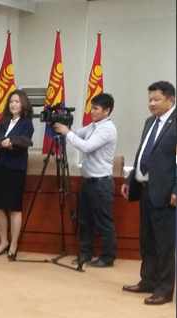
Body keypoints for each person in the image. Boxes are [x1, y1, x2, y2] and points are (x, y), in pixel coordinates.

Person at [120, 81, 176, 305]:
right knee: (147, 241)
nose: (151, 103)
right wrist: (130, 178)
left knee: (165, 245)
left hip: (166, 193)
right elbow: (143, 153)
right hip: (145, 190)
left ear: (170, 100)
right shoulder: (150, 122)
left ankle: (164, 289)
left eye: (156, 99)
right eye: (150, 99)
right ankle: (148, 281)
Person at [54, 93, 117, 268]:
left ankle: (107, 258)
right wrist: (64, 126)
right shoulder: (93, 126)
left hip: (101, 183)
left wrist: (67, 133)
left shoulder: (108, 128)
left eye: (96, 109)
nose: (92, 112)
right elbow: (78, 134)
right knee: (85, 221)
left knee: (104, 222)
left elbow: (87, 146)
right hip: (88, 182)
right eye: (91, 108)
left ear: (107, 110)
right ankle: (85, 254)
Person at [0, 89, 35, 261]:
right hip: (0, 166)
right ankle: (3, 241)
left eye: (17, 101)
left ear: (23, 104)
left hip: (16, 169)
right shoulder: (3, 121)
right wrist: (1, 144)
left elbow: (24, 143)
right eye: (11, 101)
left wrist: (10, 145)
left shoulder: (27, 124)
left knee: (14, 208)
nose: (13, 104)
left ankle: (14, 244)